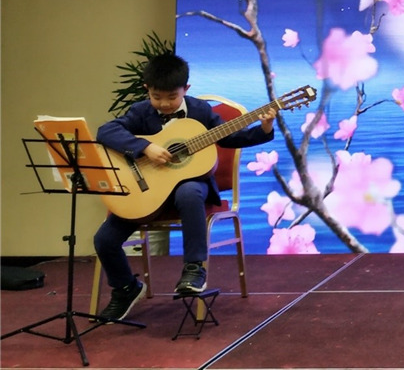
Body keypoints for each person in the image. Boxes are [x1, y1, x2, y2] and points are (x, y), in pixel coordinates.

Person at [93, 53, 276, 321]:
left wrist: (264, 128)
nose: (164, 104)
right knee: (104, 239)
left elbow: (230, 138)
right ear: (147, 89)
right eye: (157, 97)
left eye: (172, 97)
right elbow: (106, 132)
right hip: (149, 193)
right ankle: (125, 288)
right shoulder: (140, 111)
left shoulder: (201, 111)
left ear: (186, 89)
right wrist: (145, 147)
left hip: (192, 190)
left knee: (189, 191)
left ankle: (193, 268)